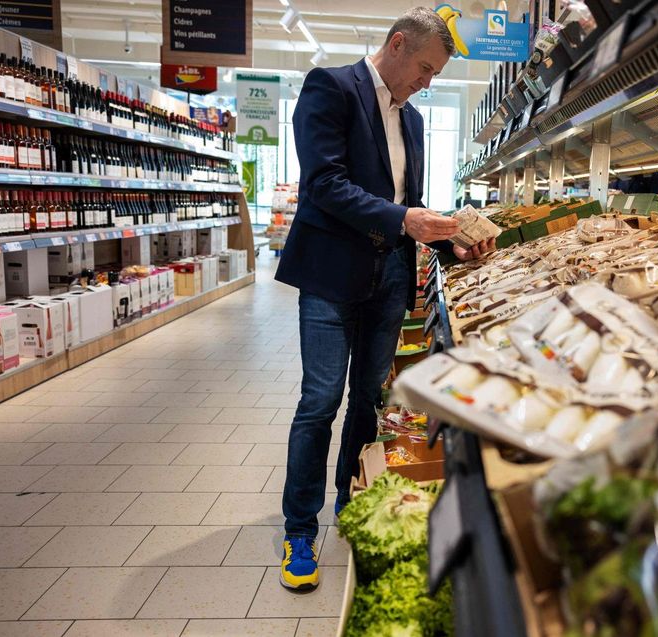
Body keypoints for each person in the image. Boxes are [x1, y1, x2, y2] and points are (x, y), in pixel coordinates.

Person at [273, 7, 496, 591]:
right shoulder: (331, 87)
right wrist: (404, 218)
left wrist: (452, 248)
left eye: (435, 74)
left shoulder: (414, 122)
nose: (427, 82)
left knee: (367, 400)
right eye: (424, 68)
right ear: (397, 45)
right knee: (320, 402)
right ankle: (300, 529)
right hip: (331, 275)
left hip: (390, 279)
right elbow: (324, 185)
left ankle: (349, 499)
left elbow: (409, 211)